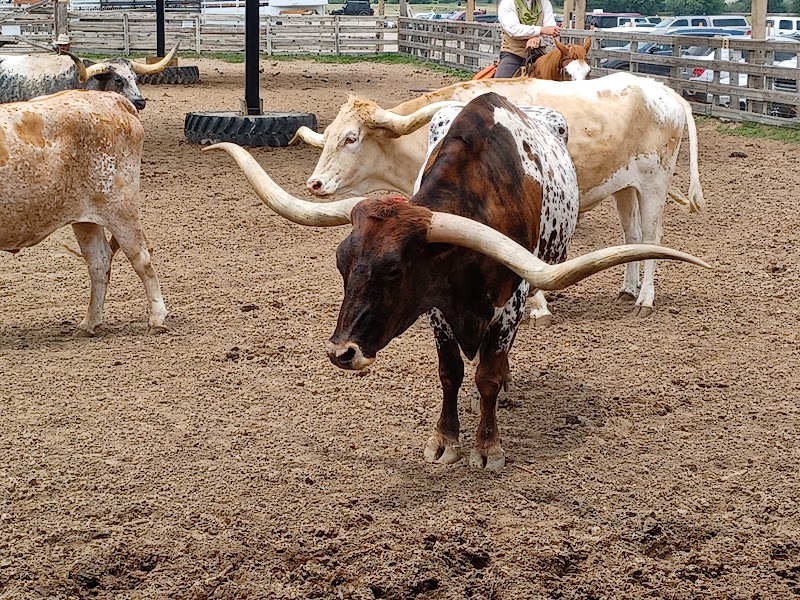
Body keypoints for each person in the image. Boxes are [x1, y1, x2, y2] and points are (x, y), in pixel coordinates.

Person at [495, 0, 560, 78]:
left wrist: (539, 39)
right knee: (502, 80)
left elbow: (551, 31)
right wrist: (540, 30)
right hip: (514, 53)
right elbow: (513, 29)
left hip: (538, 53)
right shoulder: (508, 2)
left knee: (556, 77)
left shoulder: (545, 3)